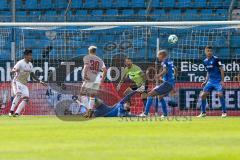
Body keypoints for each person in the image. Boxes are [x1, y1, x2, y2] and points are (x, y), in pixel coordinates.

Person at [9, 49, 46, 116]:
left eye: (31, 55)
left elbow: (32, 75)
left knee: (26, 99)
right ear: (25, 56)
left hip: (24, 84)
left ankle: (17, 113)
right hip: (16, 81)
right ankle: (11, 112)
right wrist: (13, 71)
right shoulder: (20, 63)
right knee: (18, 94)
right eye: (30, 55)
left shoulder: (30, 65)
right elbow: (13, 70)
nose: (31, 57)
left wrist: (40, 81)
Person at [139, 50, 175, 118]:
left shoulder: (164, 61)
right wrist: (162, 78)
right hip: (170, 83)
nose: (157, 56)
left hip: (167, 84)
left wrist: (158, 75)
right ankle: (165, 114)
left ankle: (145, 114)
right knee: (160, 97)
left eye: (158, 55)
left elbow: (165, 70)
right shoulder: (170, 61)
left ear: (162, 55)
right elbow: (170, 72)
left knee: (150, 94)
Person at [197, 46, 227, 118]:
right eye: (207, 51)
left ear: (212, 51)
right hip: (210, 81)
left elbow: (222, 70)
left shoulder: (216, 59)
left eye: (210, 51)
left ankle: (224, 112)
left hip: (218, 81)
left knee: (220, 94)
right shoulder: (205, 61)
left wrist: (222, 81)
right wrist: (205, 81)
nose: (209, 52)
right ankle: (203, 112)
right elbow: (208, 72)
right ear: (205, 52)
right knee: (203, 95)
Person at [81, 46, 107, 117]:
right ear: (95, 52)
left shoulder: (87, 57)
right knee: (92, 96)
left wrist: (85, 74)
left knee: (82, 93)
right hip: (96, 79)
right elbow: (105, 70)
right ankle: (90, 110)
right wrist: (102, 81)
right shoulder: (100, 60)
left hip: (89, 78)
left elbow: (86, 66)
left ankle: (88, 110)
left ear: (89, 51)